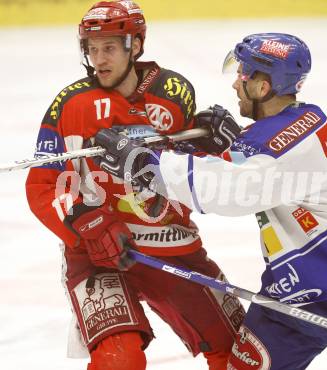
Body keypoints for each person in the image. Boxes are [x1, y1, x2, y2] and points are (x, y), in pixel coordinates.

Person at [93, 33, 327, 369]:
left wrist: (143, 166)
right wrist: (217, 146)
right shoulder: (299, 119)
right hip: (288, 294)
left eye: (241, 75)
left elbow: (227, 189)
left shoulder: (283, 143)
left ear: (263, 87)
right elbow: (243, 166)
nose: (234, 84)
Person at [25, 1, 245, 370]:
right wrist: (86, 221)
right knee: (119, 361)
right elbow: (43, 184)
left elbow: (191, 172)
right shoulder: (71, 104)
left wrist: (225, 148)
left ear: (135, 46)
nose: (98, 60)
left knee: (241, 351)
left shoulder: (172, 93)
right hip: (99, 253)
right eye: (92, 50)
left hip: (170, 243)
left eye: (109, 48)